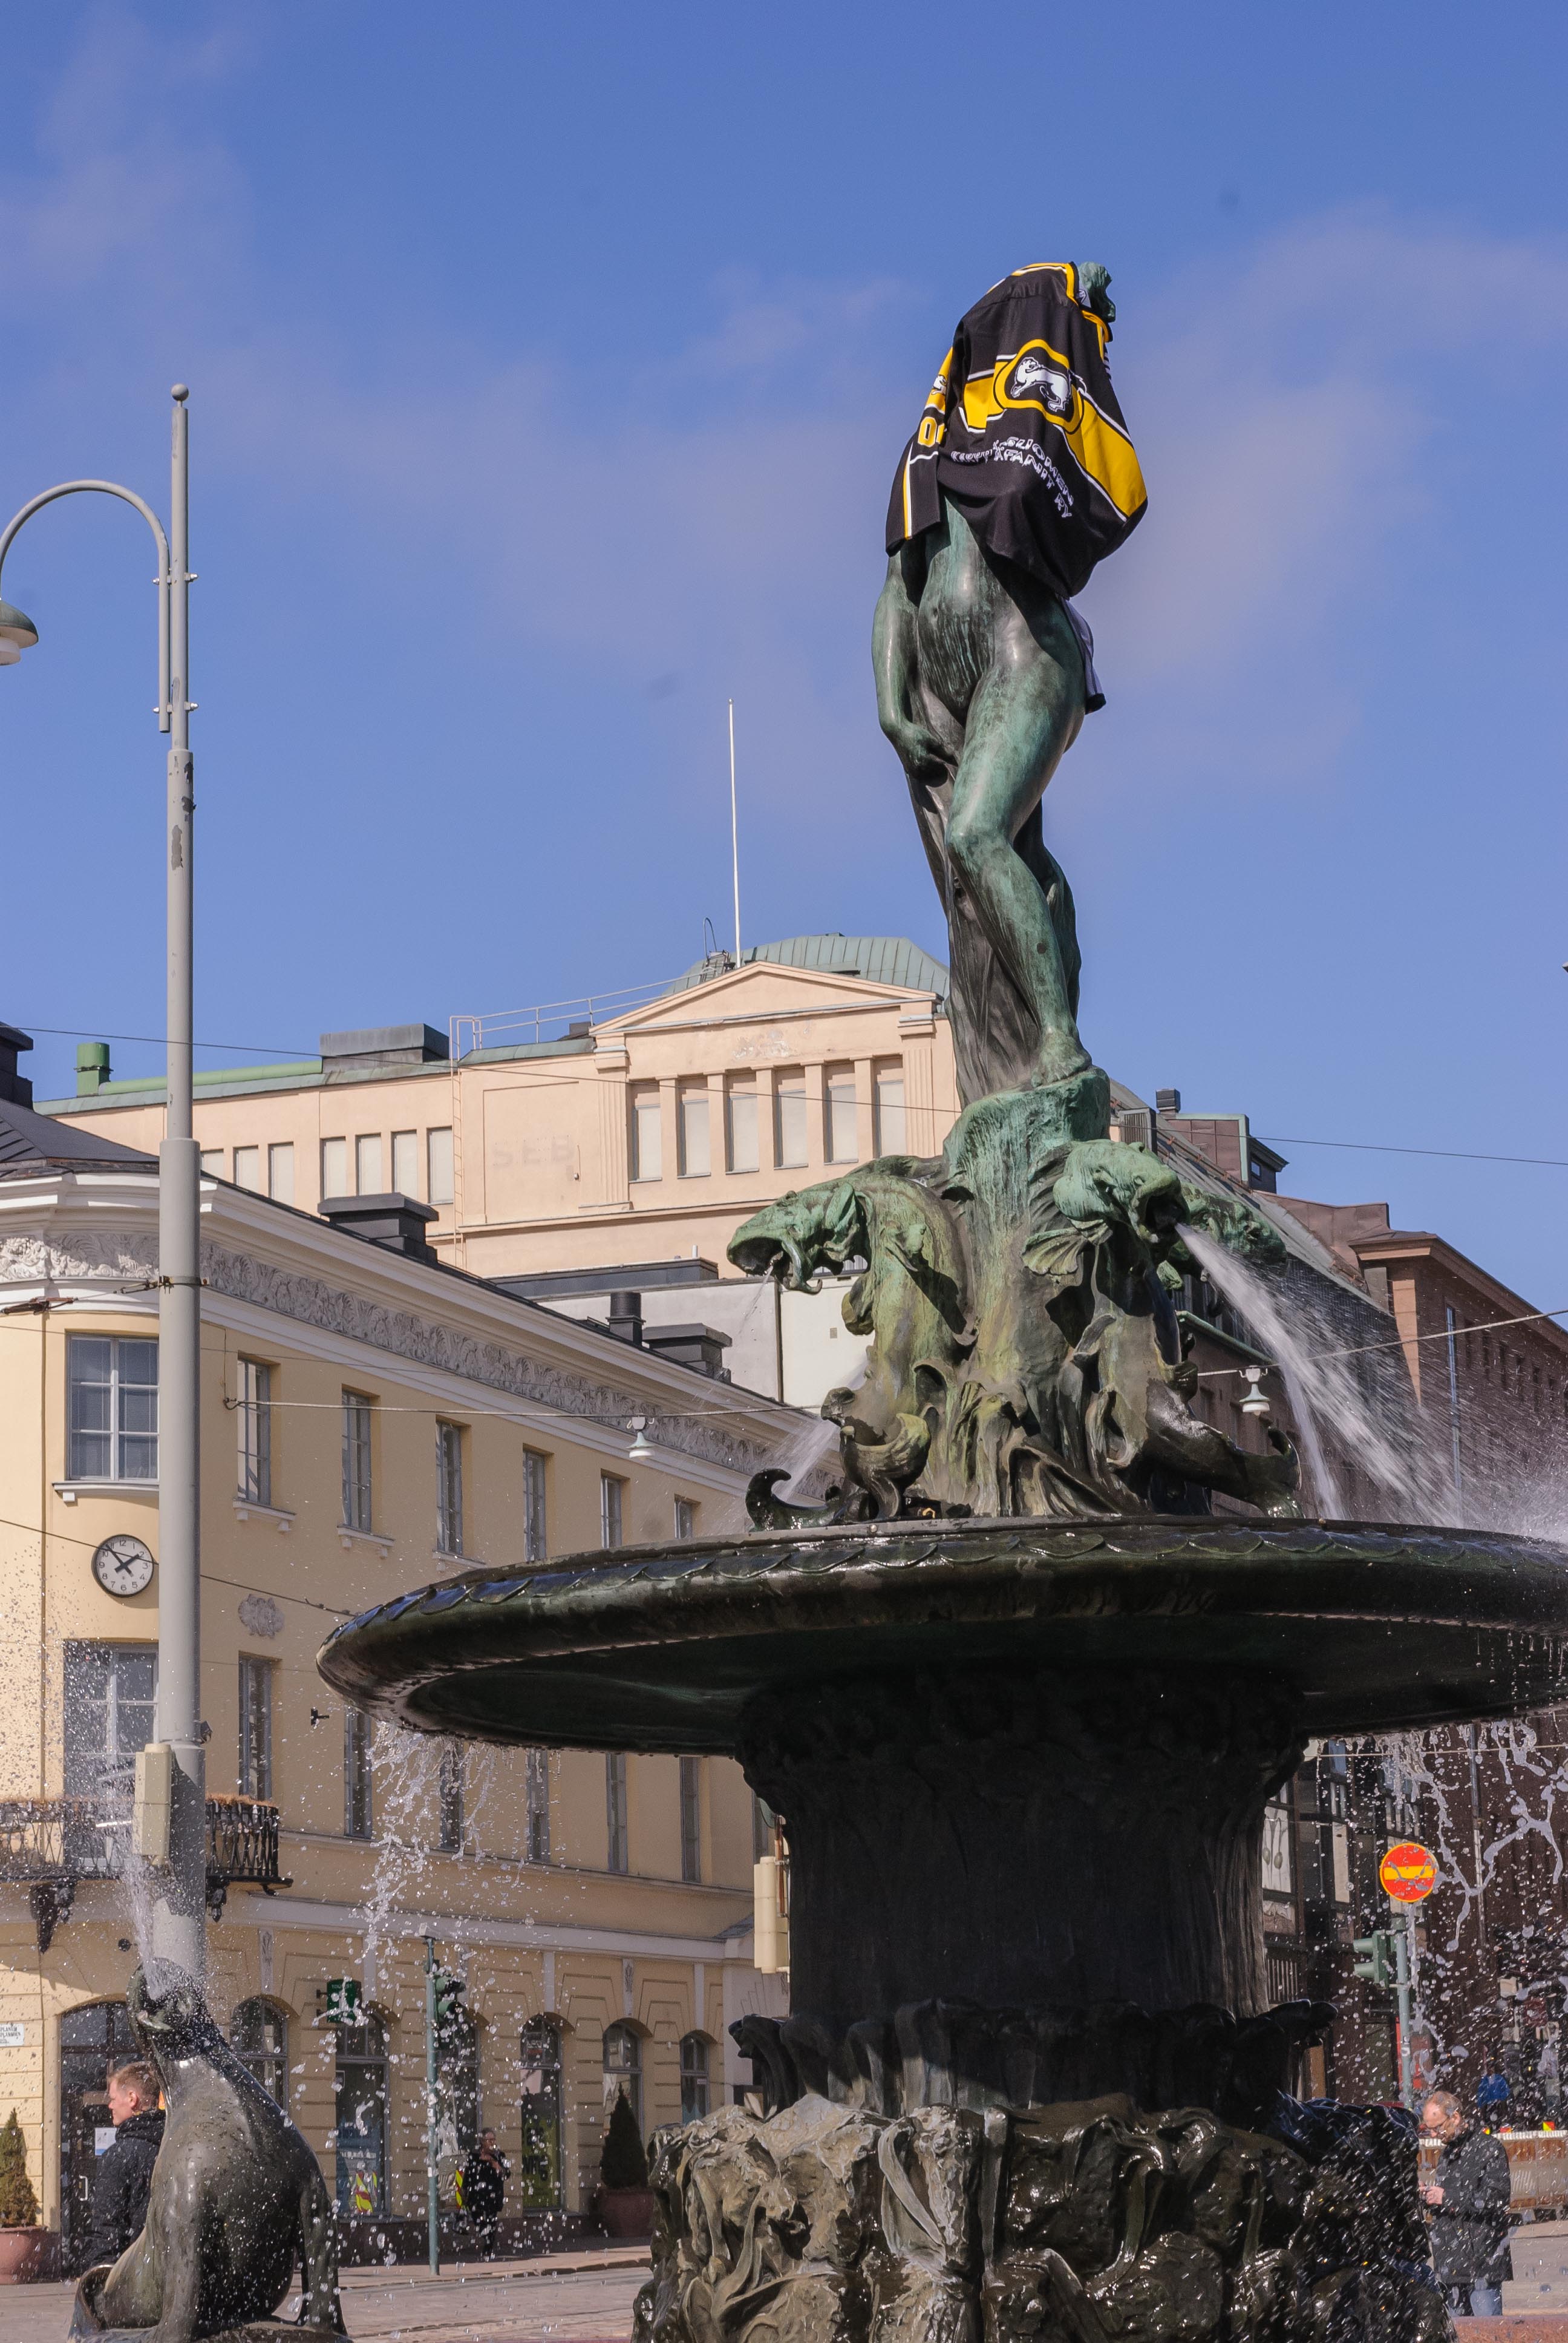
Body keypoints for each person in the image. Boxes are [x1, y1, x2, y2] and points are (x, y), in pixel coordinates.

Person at [1420, 2090, 1512, 2317]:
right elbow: (1453, 2203)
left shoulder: (1489, 2148)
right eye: (1430, 2129)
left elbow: (1496, 2198)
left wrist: (1445, 2197)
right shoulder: (1448, 2154)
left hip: (1481, 2263)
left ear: (1455, 2117)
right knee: (1457, 2332)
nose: (1434, 2135)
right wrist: (1429, 2197)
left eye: (1438, 2127)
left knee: (1487, 2332)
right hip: (1451, 2264)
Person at [80, 2060, 164, 2272]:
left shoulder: (119, 2156)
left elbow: (108, 2230)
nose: (110, 2106)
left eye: (113, 2098)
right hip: (169, 2274)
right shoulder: (172, 2146)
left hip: (132, 2276)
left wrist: (99, 2277)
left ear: (132, 2099)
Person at [459, 2128, 509, 2258]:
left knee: (492, 2221)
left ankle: (488, 2249)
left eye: (493, 2140)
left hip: (493, 2195)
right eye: (489, 2140)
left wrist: (496, 2165)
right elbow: (468, 2174)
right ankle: (486, 2236)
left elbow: (507, 2174)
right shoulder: (474, 2156)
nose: (492, 2143)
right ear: (482, 2141)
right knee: (477, 2218)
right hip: (477, 2195)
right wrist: (464, 2189)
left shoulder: (500, 2155)